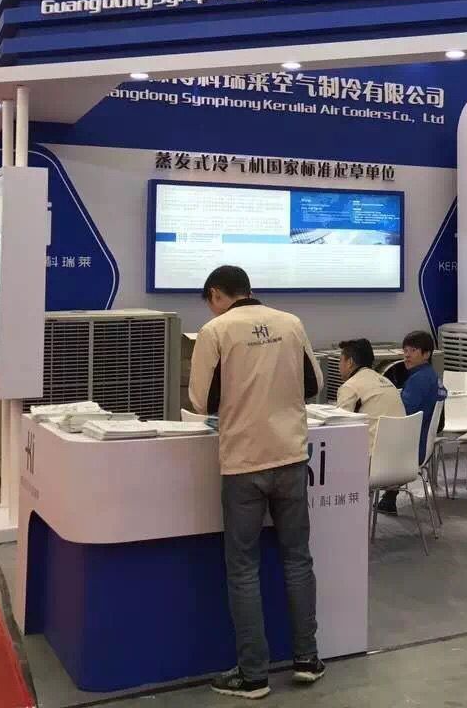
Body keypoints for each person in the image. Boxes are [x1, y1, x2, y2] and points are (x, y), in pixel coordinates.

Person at [188, 265, 326, 699]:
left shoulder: (215, 331)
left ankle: (253, 675)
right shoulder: (291, 323)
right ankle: (307, 659)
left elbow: (201, 401)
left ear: (216, 294)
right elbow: (315, 384)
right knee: (298, 559)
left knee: (243, 567)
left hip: (243, 462)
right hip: (291, 456)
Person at [378, 330, 446, 515]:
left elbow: (402, 414)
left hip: (412, 447)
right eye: (405, 350)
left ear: (426, 354)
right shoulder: (431, 375)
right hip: (422, 443)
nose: (407, 355)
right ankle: (389, 498)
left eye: (413, 350)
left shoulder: (419, 380)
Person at [334, 338, 405, 455]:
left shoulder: (350, 386)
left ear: (350, 362)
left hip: (370, 458)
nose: (339, 366)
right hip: (401, 456)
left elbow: (339, 428)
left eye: (340, 360)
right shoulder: (388, 382)